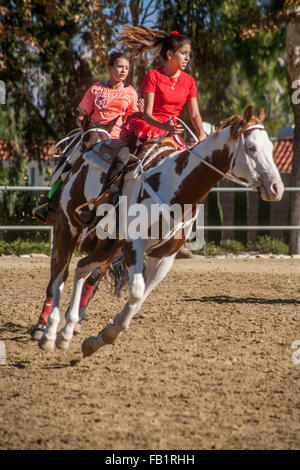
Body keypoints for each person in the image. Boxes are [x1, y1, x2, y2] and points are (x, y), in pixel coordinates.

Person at [33, 51, 140, 224]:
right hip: (90, 134)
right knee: (64, 163)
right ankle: (49, 203)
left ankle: (117, 210)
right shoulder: (95, 89)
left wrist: (140, 113)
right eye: (120, 66)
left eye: (127, 68)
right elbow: (83, 113)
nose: (123, 71)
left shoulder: (130, 93)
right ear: (110, 67)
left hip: (115, 140)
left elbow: (134, 119)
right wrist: (81, 121)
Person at [119, 25, 207, 149]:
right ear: (170, 54)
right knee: (123, 158)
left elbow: (195, 115)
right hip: (147, 127)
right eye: (183, 53)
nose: (187, 58)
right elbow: (147, 115)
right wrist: (164, 125)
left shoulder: (190, 81)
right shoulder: (153, 75)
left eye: (188, 54)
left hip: (170, 133)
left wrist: (202, 134)